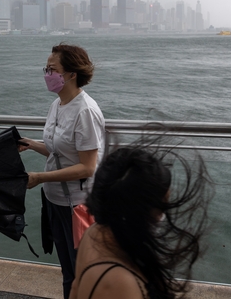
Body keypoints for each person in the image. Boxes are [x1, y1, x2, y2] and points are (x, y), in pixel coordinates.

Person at [69, 138, 212, 299]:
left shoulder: (94, 233)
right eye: (161, 208)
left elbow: (75, 289)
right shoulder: (117, 283)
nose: (161, 217)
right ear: (139, 212)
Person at [19, 43, 105, 299]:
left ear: (71, 74)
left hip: (78, 207)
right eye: (46, 68)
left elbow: (88, 167)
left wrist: (39, 177)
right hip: (54, 201)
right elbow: (60, 153)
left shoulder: (85, 111)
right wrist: (31, 144)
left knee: (83, 273)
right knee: (68, 271)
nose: (47, 73)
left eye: (52, 69)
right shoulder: (58, 105)